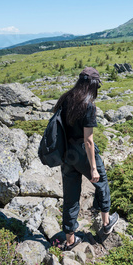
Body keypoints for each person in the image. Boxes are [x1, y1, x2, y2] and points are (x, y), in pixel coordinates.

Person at [54, 67, 119, 251]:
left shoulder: (66, 98)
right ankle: (106, 223)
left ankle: (70, 240)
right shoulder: (88, 104)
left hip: (67, 154)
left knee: (70, 197)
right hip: (82, 152)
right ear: (92, 84)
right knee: (102, 182)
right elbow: (88, 141)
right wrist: (93, 168)